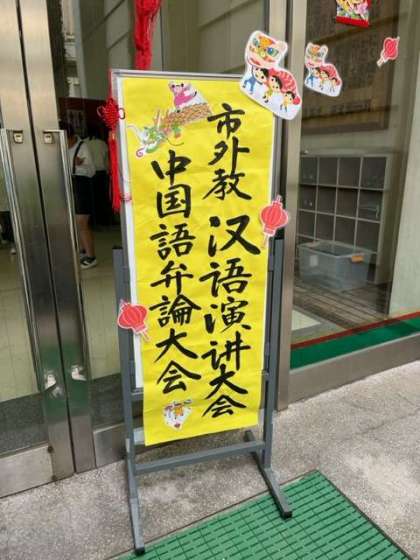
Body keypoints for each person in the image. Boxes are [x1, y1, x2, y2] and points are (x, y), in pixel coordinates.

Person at [61, 122, 97, 269]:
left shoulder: (83, 147)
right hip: (68, 184)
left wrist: (81, 165)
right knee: (75, 221)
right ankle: (83, 250)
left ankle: (91, 257)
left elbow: (92, 171)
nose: (65, 143)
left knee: (82, 222)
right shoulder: (61, 147)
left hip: (81, 185)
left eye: (66, 140)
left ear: (71, 137)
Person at [86, 126, 111, 227]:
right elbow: (106, 159)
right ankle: (105, 220)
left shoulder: (86, 144)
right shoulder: (102, 143)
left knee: (93, 198)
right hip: (101, 173)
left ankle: (94, 221)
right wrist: (109, 171)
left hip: (90, 174)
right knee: (104, 197)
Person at [0, 167, 15, 254]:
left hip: (7, 204)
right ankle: (7, 240)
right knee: (5, 225)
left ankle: (13, 244)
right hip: (3, 204)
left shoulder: (4, 168)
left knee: (8, 224)